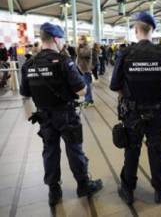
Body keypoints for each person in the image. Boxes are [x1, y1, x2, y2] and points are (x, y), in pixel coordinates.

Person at [20, 23, 102, 206]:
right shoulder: (64, 61)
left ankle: (54, 191)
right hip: (66, 114)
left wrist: (30, 114)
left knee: (49, 151)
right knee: (74, 149)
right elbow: (82, 90)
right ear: (56, 39)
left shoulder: (28, 64)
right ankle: (83, 185)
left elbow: (25, 95)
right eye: (63, 39)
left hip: (44, 117)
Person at [110, 12, 161, 205]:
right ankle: (159, 189)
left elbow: (114, 86)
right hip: (157, 112)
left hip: (132, 113)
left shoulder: (125, 54)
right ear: (153, 30)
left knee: (132, 150)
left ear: (136, 30)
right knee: (156, 150)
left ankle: (128, 190)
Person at [77, 35, 94, 107]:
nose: (80, 40)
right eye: (79, 39)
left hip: (85, 69)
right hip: (81, 69)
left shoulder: (87, 47)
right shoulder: (82, 47)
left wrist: (78, 48)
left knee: (87, 85)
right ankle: (87, 99)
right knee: (85, 85)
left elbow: (83, 54)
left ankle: (89, 100)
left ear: (85, 40)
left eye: (81, 39)